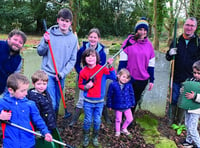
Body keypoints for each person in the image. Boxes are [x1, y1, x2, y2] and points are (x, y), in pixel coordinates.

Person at [37, 8, 78, 118]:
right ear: (58, 20)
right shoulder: (49, 33)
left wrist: (62, 73)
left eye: (67, 21)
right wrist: (45, 42)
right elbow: (40, 52)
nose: (64, 23)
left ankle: (52, 123)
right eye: (62, 20)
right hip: (48, 74)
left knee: (56, 103)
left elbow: (72, 60)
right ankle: (48, 127)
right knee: (52, 104)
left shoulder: (73, 39)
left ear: (70, 23)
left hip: (60, 75)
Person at [69, 28, 111, 127]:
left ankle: (106, 118)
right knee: (81, 98)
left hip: (98, 80)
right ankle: (74, 120)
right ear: (88, 38)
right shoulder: (83, 49)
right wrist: (82, 74)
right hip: (85, 79)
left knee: (101, 98)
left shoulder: (101, 52)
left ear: (99, 39)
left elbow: (103, 67)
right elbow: (77, 64)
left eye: (95, 37)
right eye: (91, 37)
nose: (92, 39)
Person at [0, 73, 52, 148]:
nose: (26, 93)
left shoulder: (29, 104)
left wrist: (45, 132)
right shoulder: (2, 103)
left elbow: (38, 119)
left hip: (28, 143)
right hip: (10, 144)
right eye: (22, 91)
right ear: (11, 90)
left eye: (26, 90)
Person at [118, 17, 155, 116]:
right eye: (140, 29)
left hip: (142, 79)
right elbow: (122, 61)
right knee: (125, 98)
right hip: (128, 77)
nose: (142, 32)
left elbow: (151, 65)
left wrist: (152, 79)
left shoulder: (149, 45)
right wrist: (119, 75)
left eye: (145, 30)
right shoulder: (129, 42)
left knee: (135, 100)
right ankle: (120, 119)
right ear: (136, 30)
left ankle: (129, 120)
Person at [78, 48, 116, 147]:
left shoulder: (102, 69)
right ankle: (86, 136)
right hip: (88, 101)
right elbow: (80, 85)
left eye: (93, 56)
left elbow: (113, 77)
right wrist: (86, 87)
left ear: (97, 58)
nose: (90, 58)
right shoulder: (83, 72)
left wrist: (110, 65)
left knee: (97, 120)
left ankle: (95, 137)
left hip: (99, 102)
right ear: (84, 58)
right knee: (88, 120)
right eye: (88, 56)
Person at [166, 17, 200, 125]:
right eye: (187, 25)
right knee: (174, 98)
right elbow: (168, 57)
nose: (189, 28)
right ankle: (170, 119)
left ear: (195, 28)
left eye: (192, 26)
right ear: (184, 26)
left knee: (184, 100)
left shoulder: (198, 42)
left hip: (190, 78)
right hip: (176, 76)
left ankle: (179, 122)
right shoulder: (176, 41)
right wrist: (170, 53)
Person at [106, 68, 135, 137]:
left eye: (127, 78)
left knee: (130, 118)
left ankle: (124, 128)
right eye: (123, 77)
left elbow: (131, 94)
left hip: (127, 105)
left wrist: (132, 103)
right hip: (117, 105)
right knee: (118, 119)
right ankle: (118, 131)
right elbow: (109, 95)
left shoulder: (128, 85)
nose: (125, 79)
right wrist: (109, 105)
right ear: (118, 76)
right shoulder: (113, 85)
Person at [179, 60, 200, 147]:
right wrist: (182, 91)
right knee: (187, 124)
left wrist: (194, 96)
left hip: (196, 109)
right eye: (194, 72)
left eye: (199, 73)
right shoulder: (190, 80)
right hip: (188, 107)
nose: (196, 75)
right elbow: (185, 89)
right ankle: (189, 141)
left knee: (192, 128)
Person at [0, 29, 27, 95]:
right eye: (15, 40)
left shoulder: (18, 60)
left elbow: (12, 80)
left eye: (20, 42)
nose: (17, 43)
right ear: (9, 38)